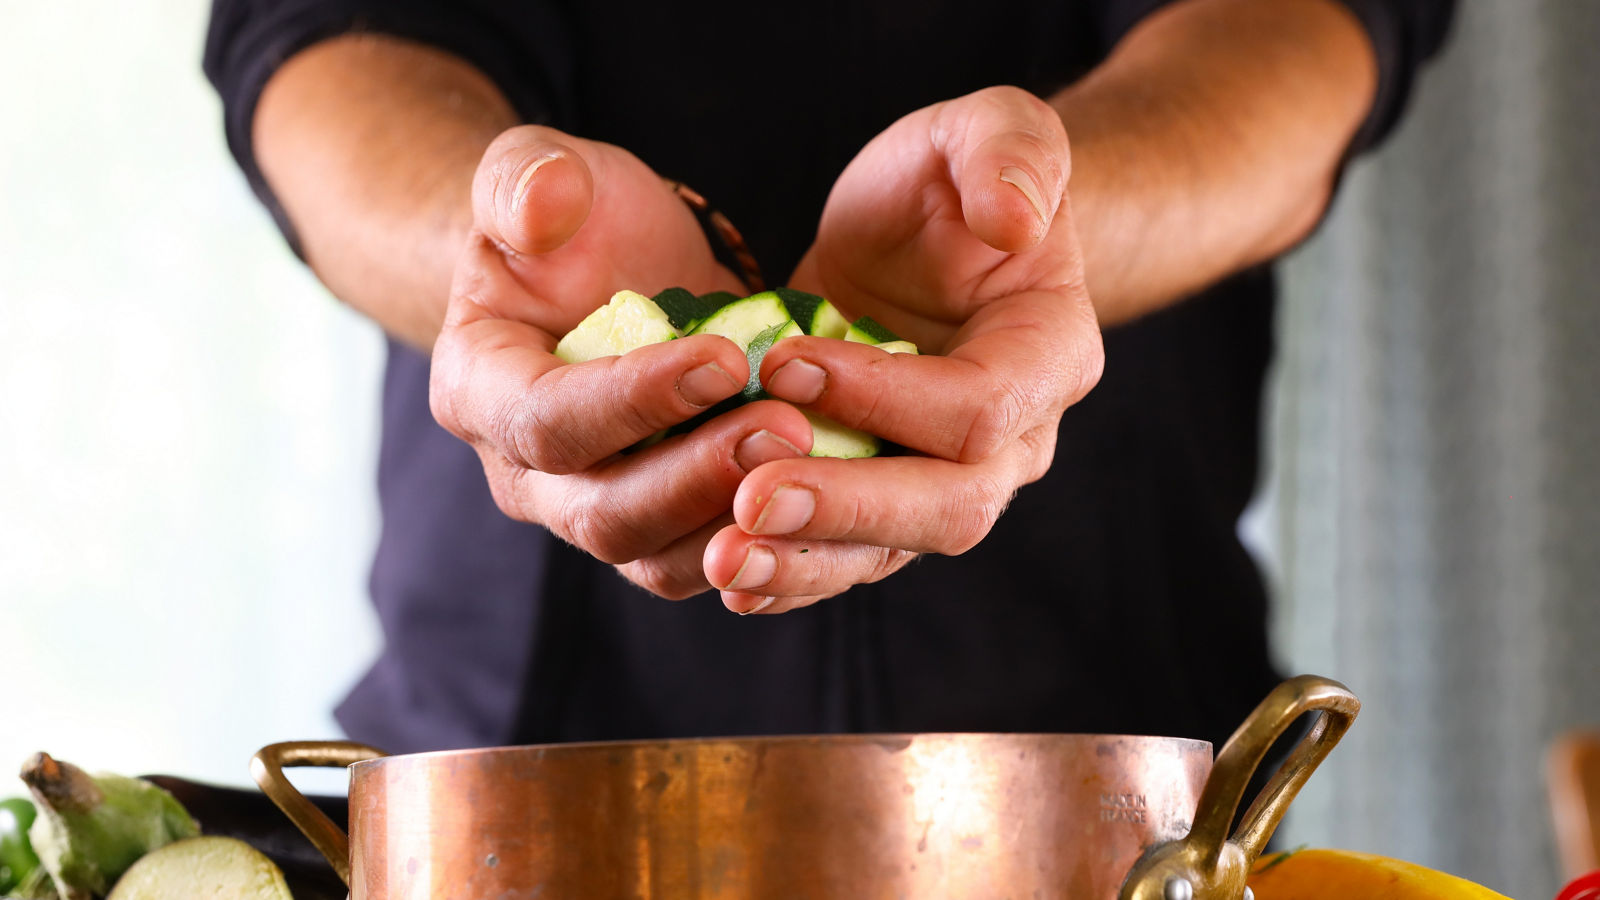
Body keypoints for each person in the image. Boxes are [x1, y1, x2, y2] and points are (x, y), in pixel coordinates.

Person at [205, 0, 1453, 755]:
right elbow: (318, 46)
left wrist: (1035, 229)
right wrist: (498, 240)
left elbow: (1297, 38)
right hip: (502, 768)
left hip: (1115, 772)